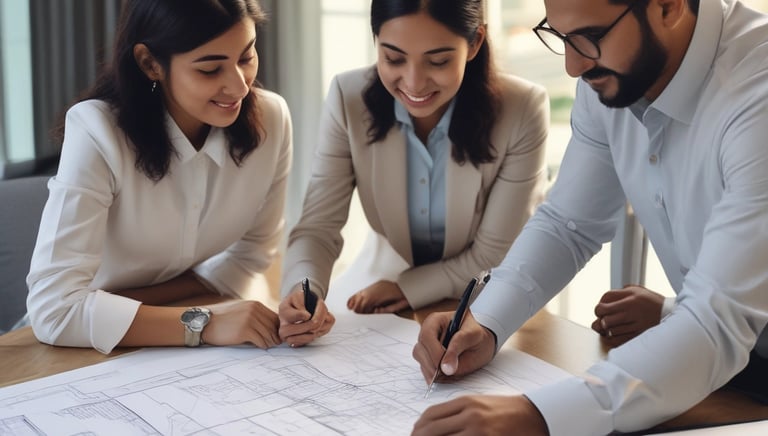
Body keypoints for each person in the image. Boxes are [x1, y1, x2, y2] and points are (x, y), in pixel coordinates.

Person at [411, 0, 768, 434]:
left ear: (670, 6)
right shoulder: (610, 74)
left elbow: (719, 322)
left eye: (591, 37)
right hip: (732, 362)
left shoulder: (757, 93)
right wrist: (485, 322)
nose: (573, 66)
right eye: (561, 36)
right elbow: (567, 224)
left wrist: (539, 416)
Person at [277, 0, 549, 347]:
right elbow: (318, 227)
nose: (414, 82)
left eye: (438, 61)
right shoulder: (349, 97)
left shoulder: (523, 109)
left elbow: (493, 256)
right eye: (393, 58)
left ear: (475, 43)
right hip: (385, 289)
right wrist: (304, 291)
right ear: (376, 40)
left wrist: (408, 288)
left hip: (490, 295)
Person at [26, 0, 291, 354]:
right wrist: (205, 323)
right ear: (151, 64)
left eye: (246, 57)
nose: (240, 87)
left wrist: (132, 303)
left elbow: (251, 258)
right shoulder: (97, 130)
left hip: (147, 323)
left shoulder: (270, 118)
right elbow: (54, 312)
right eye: (210, 70)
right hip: (75, 346)